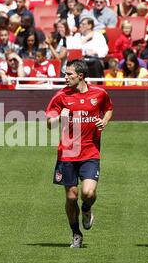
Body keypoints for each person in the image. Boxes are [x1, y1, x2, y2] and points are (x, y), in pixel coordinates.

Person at [45, 59, 113, 248]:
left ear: (80, 76)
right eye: (65, 74)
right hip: (67, 154)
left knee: (88, 193)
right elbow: (49, 124)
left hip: (90, 151)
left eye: (69, 74)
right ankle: (76, 233)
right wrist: (60, 117)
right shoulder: (60, 96)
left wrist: (105, 121)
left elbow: (108, 109)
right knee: (71, 196)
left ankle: (87, 209)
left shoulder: (99, 94)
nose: (65, 77)